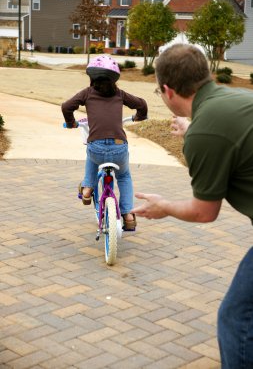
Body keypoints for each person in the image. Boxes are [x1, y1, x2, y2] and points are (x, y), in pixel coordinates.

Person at [131, 43, 253, 368]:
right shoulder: (238, 100)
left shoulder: (205, 132)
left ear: (168, 90)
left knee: (237, 317)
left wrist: (165, 206)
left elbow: (204, 211)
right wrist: (192, 130)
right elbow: (223, 133)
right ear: (207, 75)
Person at [62, 55, 148, 231]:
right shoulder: (120, 94)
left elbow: (66, 106)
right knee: (124, 176)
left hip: (96, 147)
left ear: (92, 77)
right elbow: (142, 104)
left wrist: (71, 123)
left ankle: (87, 188)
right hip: (119, 147)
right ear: (114, 79)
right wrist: (140, 116)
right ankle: (128, 215)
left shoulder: (87, 93)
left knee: (92, 154)